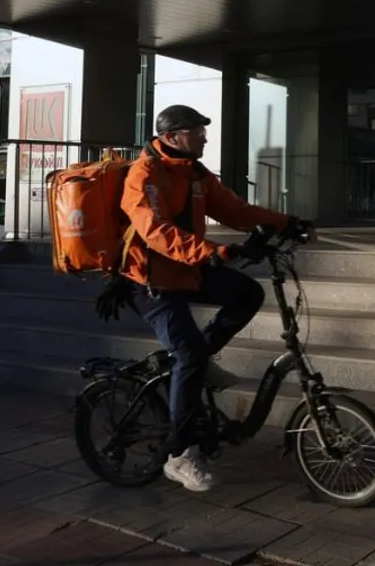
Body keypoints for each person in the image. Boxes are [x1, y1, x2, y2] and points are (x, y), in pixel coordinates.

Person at [118, 104, 315, 493]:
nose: (205, 137)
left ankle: (199, 359)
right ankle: (180, 454)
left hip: (186, 269)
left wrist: (286, 223)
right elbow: (155, 231)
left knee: (246, 293)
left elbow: (233, 209)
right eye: (197, 131)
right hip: (151, 280)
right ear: (172, 137)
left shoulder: (194, 172)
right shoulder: (145, 177)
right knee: (188, 353)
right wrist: (208, 252)